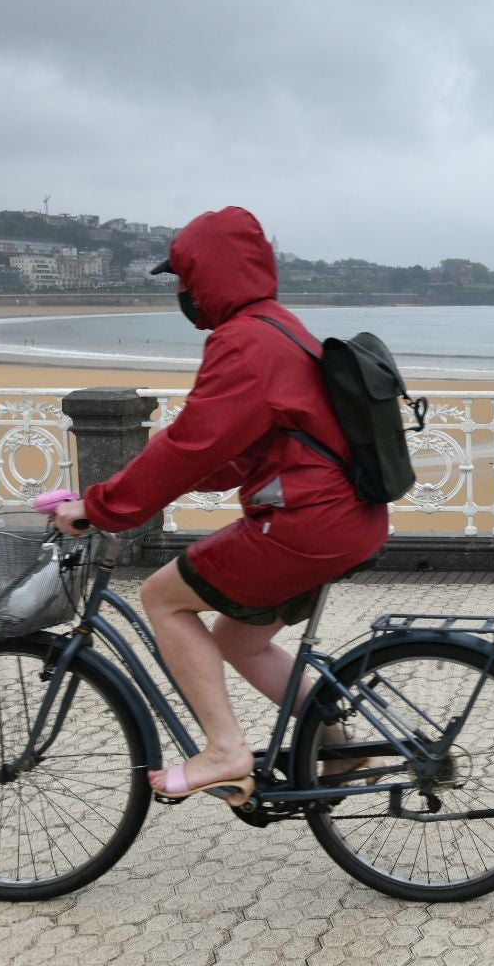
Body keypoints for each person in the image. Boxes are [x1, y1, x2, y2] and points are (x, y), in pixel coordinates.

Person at [50, 207, 390, 804]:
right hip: (345, 518)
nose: (182, 292)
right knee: (240, 640)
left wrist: (100, 507)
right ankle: (340, 747)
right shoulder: (278, 326)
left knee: (162, 597)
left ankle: (225, 753)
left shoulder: (244, 342)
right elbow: (239, 443)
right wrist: (191, 477)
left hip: (306, 521)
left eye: (184, 276)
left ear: (207, 276)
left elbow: (189, 444)